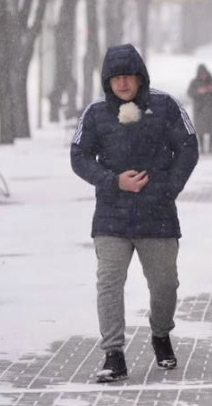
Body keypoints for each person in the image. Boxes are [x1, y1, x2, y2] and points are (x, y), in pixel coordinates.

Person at [71, 43, 199, 383]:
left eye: (128, 76)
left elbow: (188, 146)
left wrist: (167, 188)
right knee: (109, 284)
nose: (123, 84)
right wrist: (112, 182)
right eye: (115, 78)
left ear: (139, 77)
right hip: (111, 217)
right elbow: (79, 156)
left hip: (158, 215)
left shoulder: (164, 105)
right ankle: (113, 353)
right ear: (107, 81)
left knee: (165, 284)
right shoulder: (96, 113)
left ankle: (160, 333)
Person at [187, 64, 212, 154]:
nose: (203, 75)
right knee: (200, 129)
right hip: (199, 109)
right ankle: (202, 147)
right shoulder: (194, 82)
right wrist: (198, 92)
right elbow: (190, 93)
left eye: (204, 73)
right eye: (201, 73)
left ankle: (211, 147)